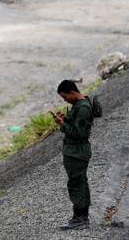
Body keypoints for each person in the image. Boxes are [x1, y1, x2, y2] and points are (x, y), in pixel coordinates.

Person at [52, 80, 94, 230]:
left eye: (65, 97)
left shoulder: (82, 108)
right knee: (80, 182)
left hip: (77, 153)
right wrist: (66, 119)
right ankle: (82, 217)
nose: (65, 100)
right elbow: (78, 125)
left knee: (76, 184)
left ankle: (80, 219)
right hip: (77, 152)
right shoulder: (80, 104)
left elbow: (78, 133)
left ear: (72, 92)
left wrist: (61, 124)